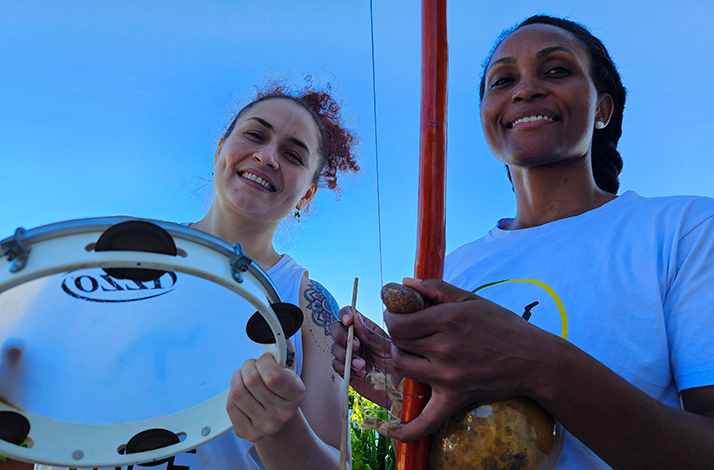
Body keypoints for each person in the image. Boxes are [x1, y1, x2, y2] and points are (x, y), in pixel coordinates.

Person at [331, 15, 714, 469]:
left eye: (556, 70)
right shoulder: (454, 269)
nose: (525, 89)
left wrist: (537, 363)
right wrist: (407, 388)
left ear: (602, 109)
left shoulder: (684, 230)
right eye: (503, 80)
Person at [33, 82, 359, 470]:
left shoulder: (309, 301)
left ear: (307, 195)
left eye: (292, 155)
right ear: (221, 149)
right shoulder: (124, 257)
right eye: (255, 134)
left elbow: (334, 465)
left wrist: (280, 431)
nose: (267, 156)